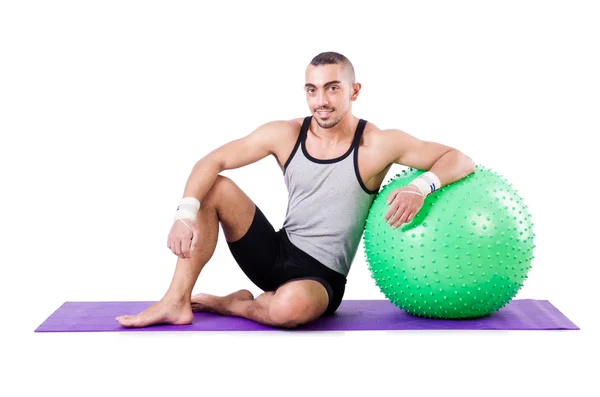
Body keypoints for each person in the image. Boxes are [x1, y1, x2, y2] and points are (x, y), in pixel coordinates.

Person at [115, 51, 475, 329]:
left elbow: (459, 159)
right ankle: (176, 301)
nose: (321, 100)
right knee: (215, 188)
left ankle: (235, 304)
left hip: (320, 278)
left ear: (354, 91)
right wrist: (184, 214)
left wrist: (421, 185)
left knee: (290, 308)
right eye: (312, 89)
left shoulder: (377, 144)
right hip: (275, 252)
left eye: (333, 88)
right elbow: (212, 161)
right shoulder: (285, 134)